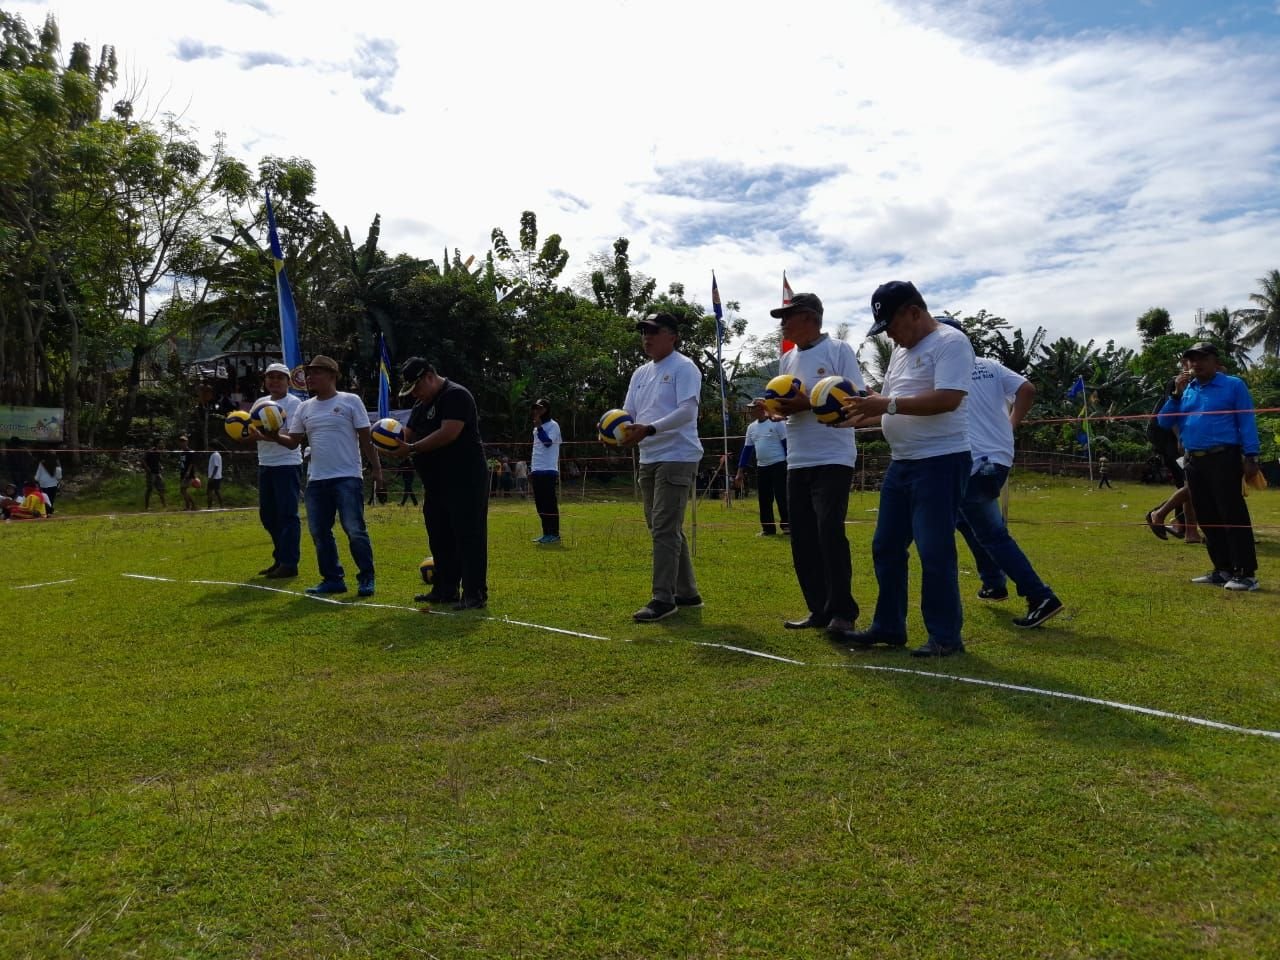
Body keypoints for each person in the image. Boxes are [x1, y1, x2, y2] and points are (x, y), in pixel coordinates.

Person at [841, 281, 974, 657]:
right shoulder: (902, 352)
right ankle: (888, 626)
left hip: (941, 460)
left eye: (892, 326)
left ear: (914, 312)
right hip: (903, 463)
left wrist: (885, 407)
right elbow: (886, 406)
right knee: (886, 546)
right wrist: (852, 416)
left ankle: (946, 636)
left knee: (935, 551)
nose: (892, 337)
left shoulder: (950, 343)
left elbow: (948, 399)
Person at [944, 320, 1064, 629]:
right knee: (964, 520)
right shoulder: (989, 365)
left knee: (992, 534)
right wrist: (1010, 425)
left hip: (972, 461)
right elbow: (1026, 388)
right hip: (996, 457)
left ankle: (1040, 596)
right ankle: (993, 581)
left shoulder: (945, 370)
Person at [768, 294, 866, 635]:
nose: (783, 323)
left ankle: (843, 613)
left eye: (788, 316)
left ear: (810, 317)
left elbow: (857, 396)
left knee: (829, 532)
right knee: (803, 537)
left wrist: (806, 403)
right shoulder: (787, 358)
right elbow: (785, 407)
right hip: (797, 457)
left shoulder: (838, 350)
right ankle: (818, 610)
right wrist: (774, 410)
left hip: (833, 455)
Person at [271, 355, 383, 597]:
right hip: (316, 480)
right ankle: (332, 579)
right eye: (308, 373)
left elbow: (366, 438)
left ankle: (366, 577)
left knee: (354, 529)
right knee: (319, 532)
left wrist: (377, 470)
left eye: (316, 373)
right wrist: (270, 434)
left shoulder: (351, 401)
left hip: (347, 477)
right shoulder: (304, 407)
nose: (310, 377)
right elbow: (293, 442)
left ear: (332, 375)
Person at [1157, 341, 1262, 591]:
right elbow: (1162, 422)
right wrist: (1175, 395)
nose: (1196, 363)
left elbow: (1246, 420)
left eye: (1202, 358)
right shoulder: (1187, 390)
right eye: (1191, 359)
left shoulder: (1233, 385)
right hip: (1194, 460)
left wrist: (1251, 456)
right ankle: (1222, 569)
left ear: (1215, 361)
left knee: (1232, 513)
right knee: (1206, 516)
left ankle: (1246, 574)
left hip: (1223, 457)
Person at [620, 312, 704, 622]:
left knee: (665, 528)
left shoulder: (684, 367)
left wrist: (650, 429)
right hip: (648, 456)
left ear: (673, 336)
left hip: (678, 455)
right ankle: (688, 593)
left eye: (653, 331)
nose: (647, 337)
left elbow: (687, 412)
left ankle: (662, 598)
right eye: (643, 331)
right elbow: (628, 412)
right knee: (661, 527)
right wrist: (614, 429)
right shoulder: (640, 373)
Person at [397, 356, 489, 610]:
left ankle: (474, 593)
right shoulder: (420, 406)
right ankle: (445, 589)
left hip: (465, 479)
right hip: (436, 484)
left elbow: (449, 432)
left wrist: (411, 448)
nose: (416, 394)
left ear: (429, 376)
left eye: (417, 387)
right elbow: (407, 434)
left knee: (468, 536)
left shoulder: (456, 395)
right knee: (439, 535)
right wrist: (389, 439)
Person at [243, 363, 304, 579]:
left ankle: (289, 563)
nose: (275, 381)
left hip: (287, 464)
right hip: (265, 464)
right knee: (268, 516)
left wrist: (263, 436)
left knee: (288, 515)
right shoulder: (260, 403)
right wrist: (239, 430)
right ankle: (280, 558)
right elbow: (250, 432)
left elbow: (292, 437)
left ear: (288, 381)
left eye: (280, 377)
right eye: (271, 377)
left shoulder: (294, 404)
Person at [734, 399, 789, 536]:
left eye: (754, 408)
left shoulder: (778, 423)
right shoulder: (751, 427)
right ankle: (768, 528)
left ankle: (788, 526)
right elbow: (747, 450)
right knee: (764, 498)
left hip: (779, 464)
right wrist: (740, 471)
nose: (751, 411)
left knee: (782, 496)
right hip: (762, 467)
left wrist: (790, 464)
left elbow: (786, 444)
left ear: (762, 408)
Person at [529, 398, 562, 544]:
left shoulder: (553, 425)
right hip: (537, 469)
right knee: (540, 504)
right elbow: (537, 449)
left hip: (548, 469)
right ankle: (546, 533)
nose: (537, 411)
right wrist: (532, 468)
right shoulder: (536, 428)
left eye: (540, 408)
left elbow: (548, 443)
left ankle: (554, 534)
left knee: (549, 503)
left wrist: (540, 427)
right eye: (535, 408)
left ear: (547, 410)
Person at [143, 441, 166, 509]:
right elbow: (143, 460)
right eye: (160, 443)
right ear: (157, 444)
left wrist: (160, 466)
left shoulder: (158, 452)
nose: (162, 445)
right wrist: (147, 468)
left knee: (161, 489)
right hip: (151, 473)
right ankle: (146, 507)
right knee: (149, 489)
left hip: (157, 473)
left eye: (162, 443)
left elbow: (157, 462)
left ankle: (164, 506)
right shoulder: (150, 451)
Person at [177, 436, 197, 510]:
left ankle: (190, 506)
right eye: (181, 441)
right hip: (183, 473)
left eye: (184, 441)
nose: (182, 443)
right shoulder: (182, 452)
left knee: (183, 490)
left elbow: (192, 463)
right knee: (183, 491)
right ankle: (191, 506)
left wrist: (188, 471)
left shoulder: (190, 451)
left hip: (188, 474)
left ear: (187, 442)